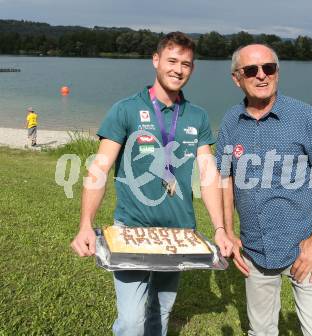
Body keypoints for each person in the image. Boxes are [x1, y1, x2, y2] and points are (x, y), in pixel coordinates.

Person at [70, 32, 233, 336]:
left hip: (178, 233)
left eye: (186, 63)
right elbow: (99, 169)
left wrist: (220, 228)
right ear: (156, 60)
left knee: (160, 315)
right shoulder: (126, 109)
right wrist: (85, 224)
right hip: (132, 230)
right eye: (172, 60)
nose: (178, 69)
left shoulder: (196, 116)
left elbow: (209, 175)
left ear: (192, 69)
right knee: (132, 322)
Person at [216, 44, 312, 336]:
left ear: (277, 72)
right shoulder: (230, 122)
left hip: (305, 247)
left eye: (269, 68)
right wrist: (229, 231)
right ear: (237, 78)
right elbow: (225, 178)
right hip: (255, 249)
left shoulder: (305, 118)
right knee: (260, 332)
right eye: (251, 70)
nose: (262, 76)